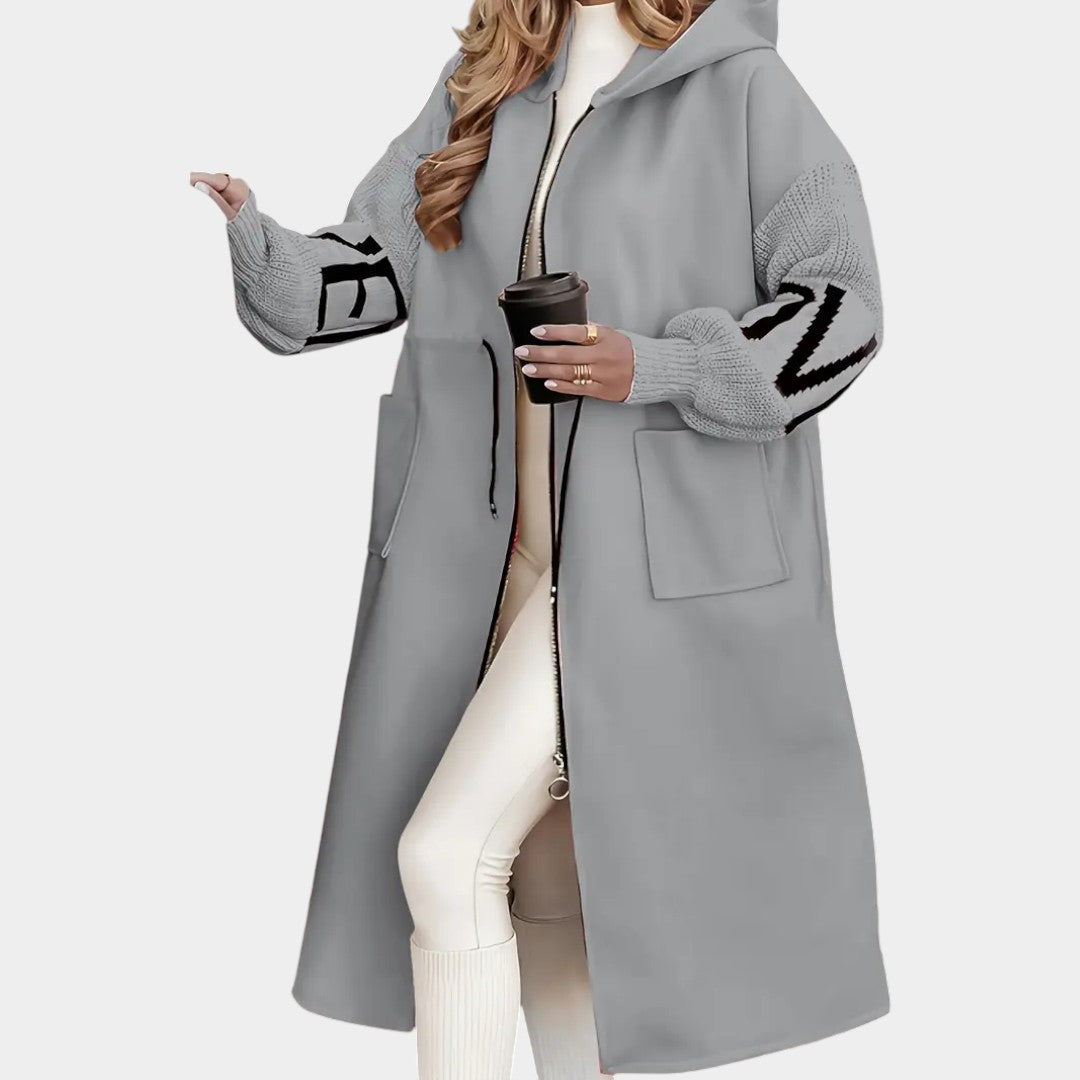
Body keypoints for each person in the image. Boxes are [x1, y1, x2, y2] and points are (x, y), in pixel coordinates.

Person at [191, 1, 890, 1076]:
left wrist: (658, 365)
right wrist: (261, 242)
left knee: (444, 853)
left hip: (647, 569)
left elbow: (843, 311)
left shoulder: (744, 88)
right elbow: (380, 266)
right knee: (548, 888)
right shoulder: (485, 88)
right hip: (488, 558)